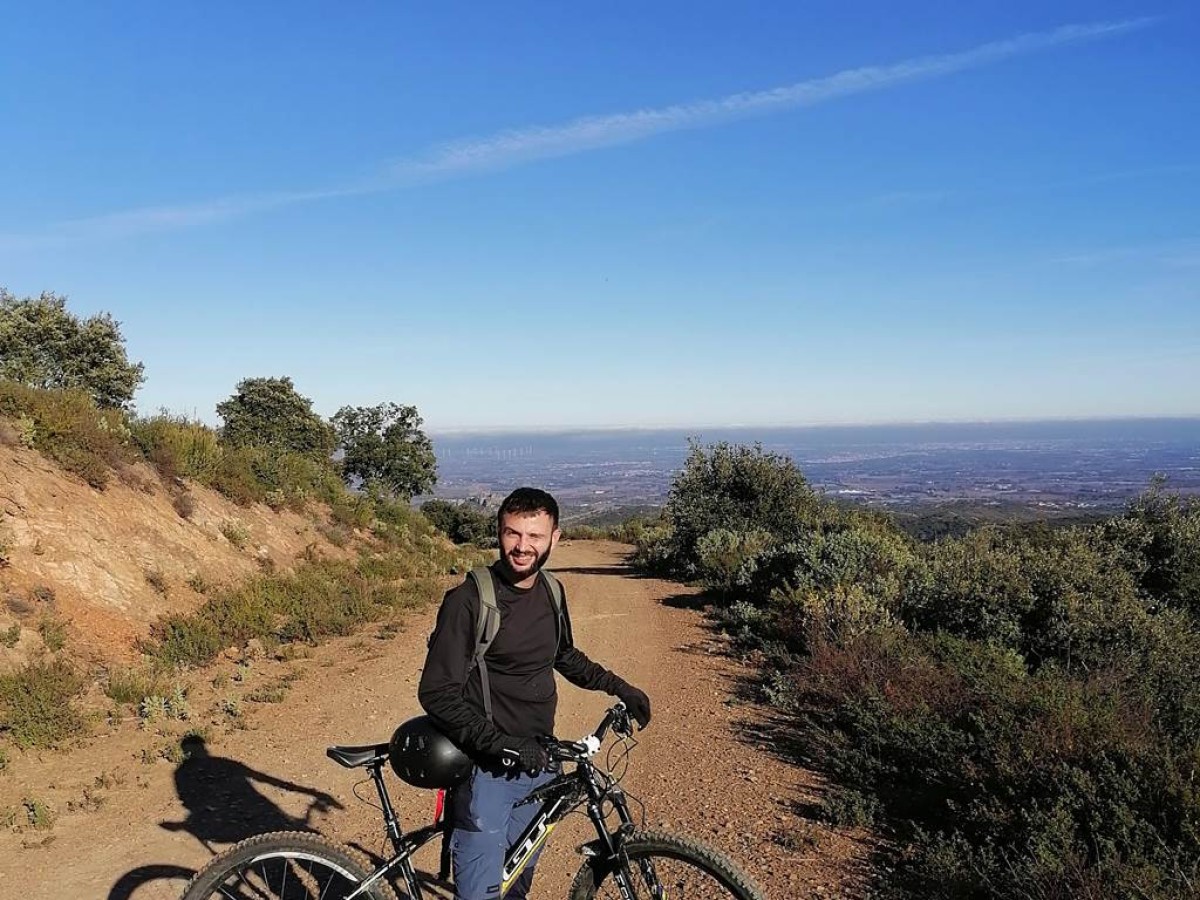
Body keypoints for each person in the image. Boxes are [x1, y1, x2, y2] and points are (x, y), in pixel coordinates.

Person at [419, 487, 651, 900]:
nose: (522, 547)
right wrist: (501, 744)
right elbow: (437, 692)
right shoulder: (470, 600)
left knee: (515, 888)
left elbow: (564, 655)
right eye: (512, 534)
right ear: (499, 532)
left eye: (535, 537)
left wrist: (620, 687)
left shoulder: (551, 591)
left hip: (541, 763)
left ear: (554, 538)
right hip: (485, 771)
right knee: (480, 895)